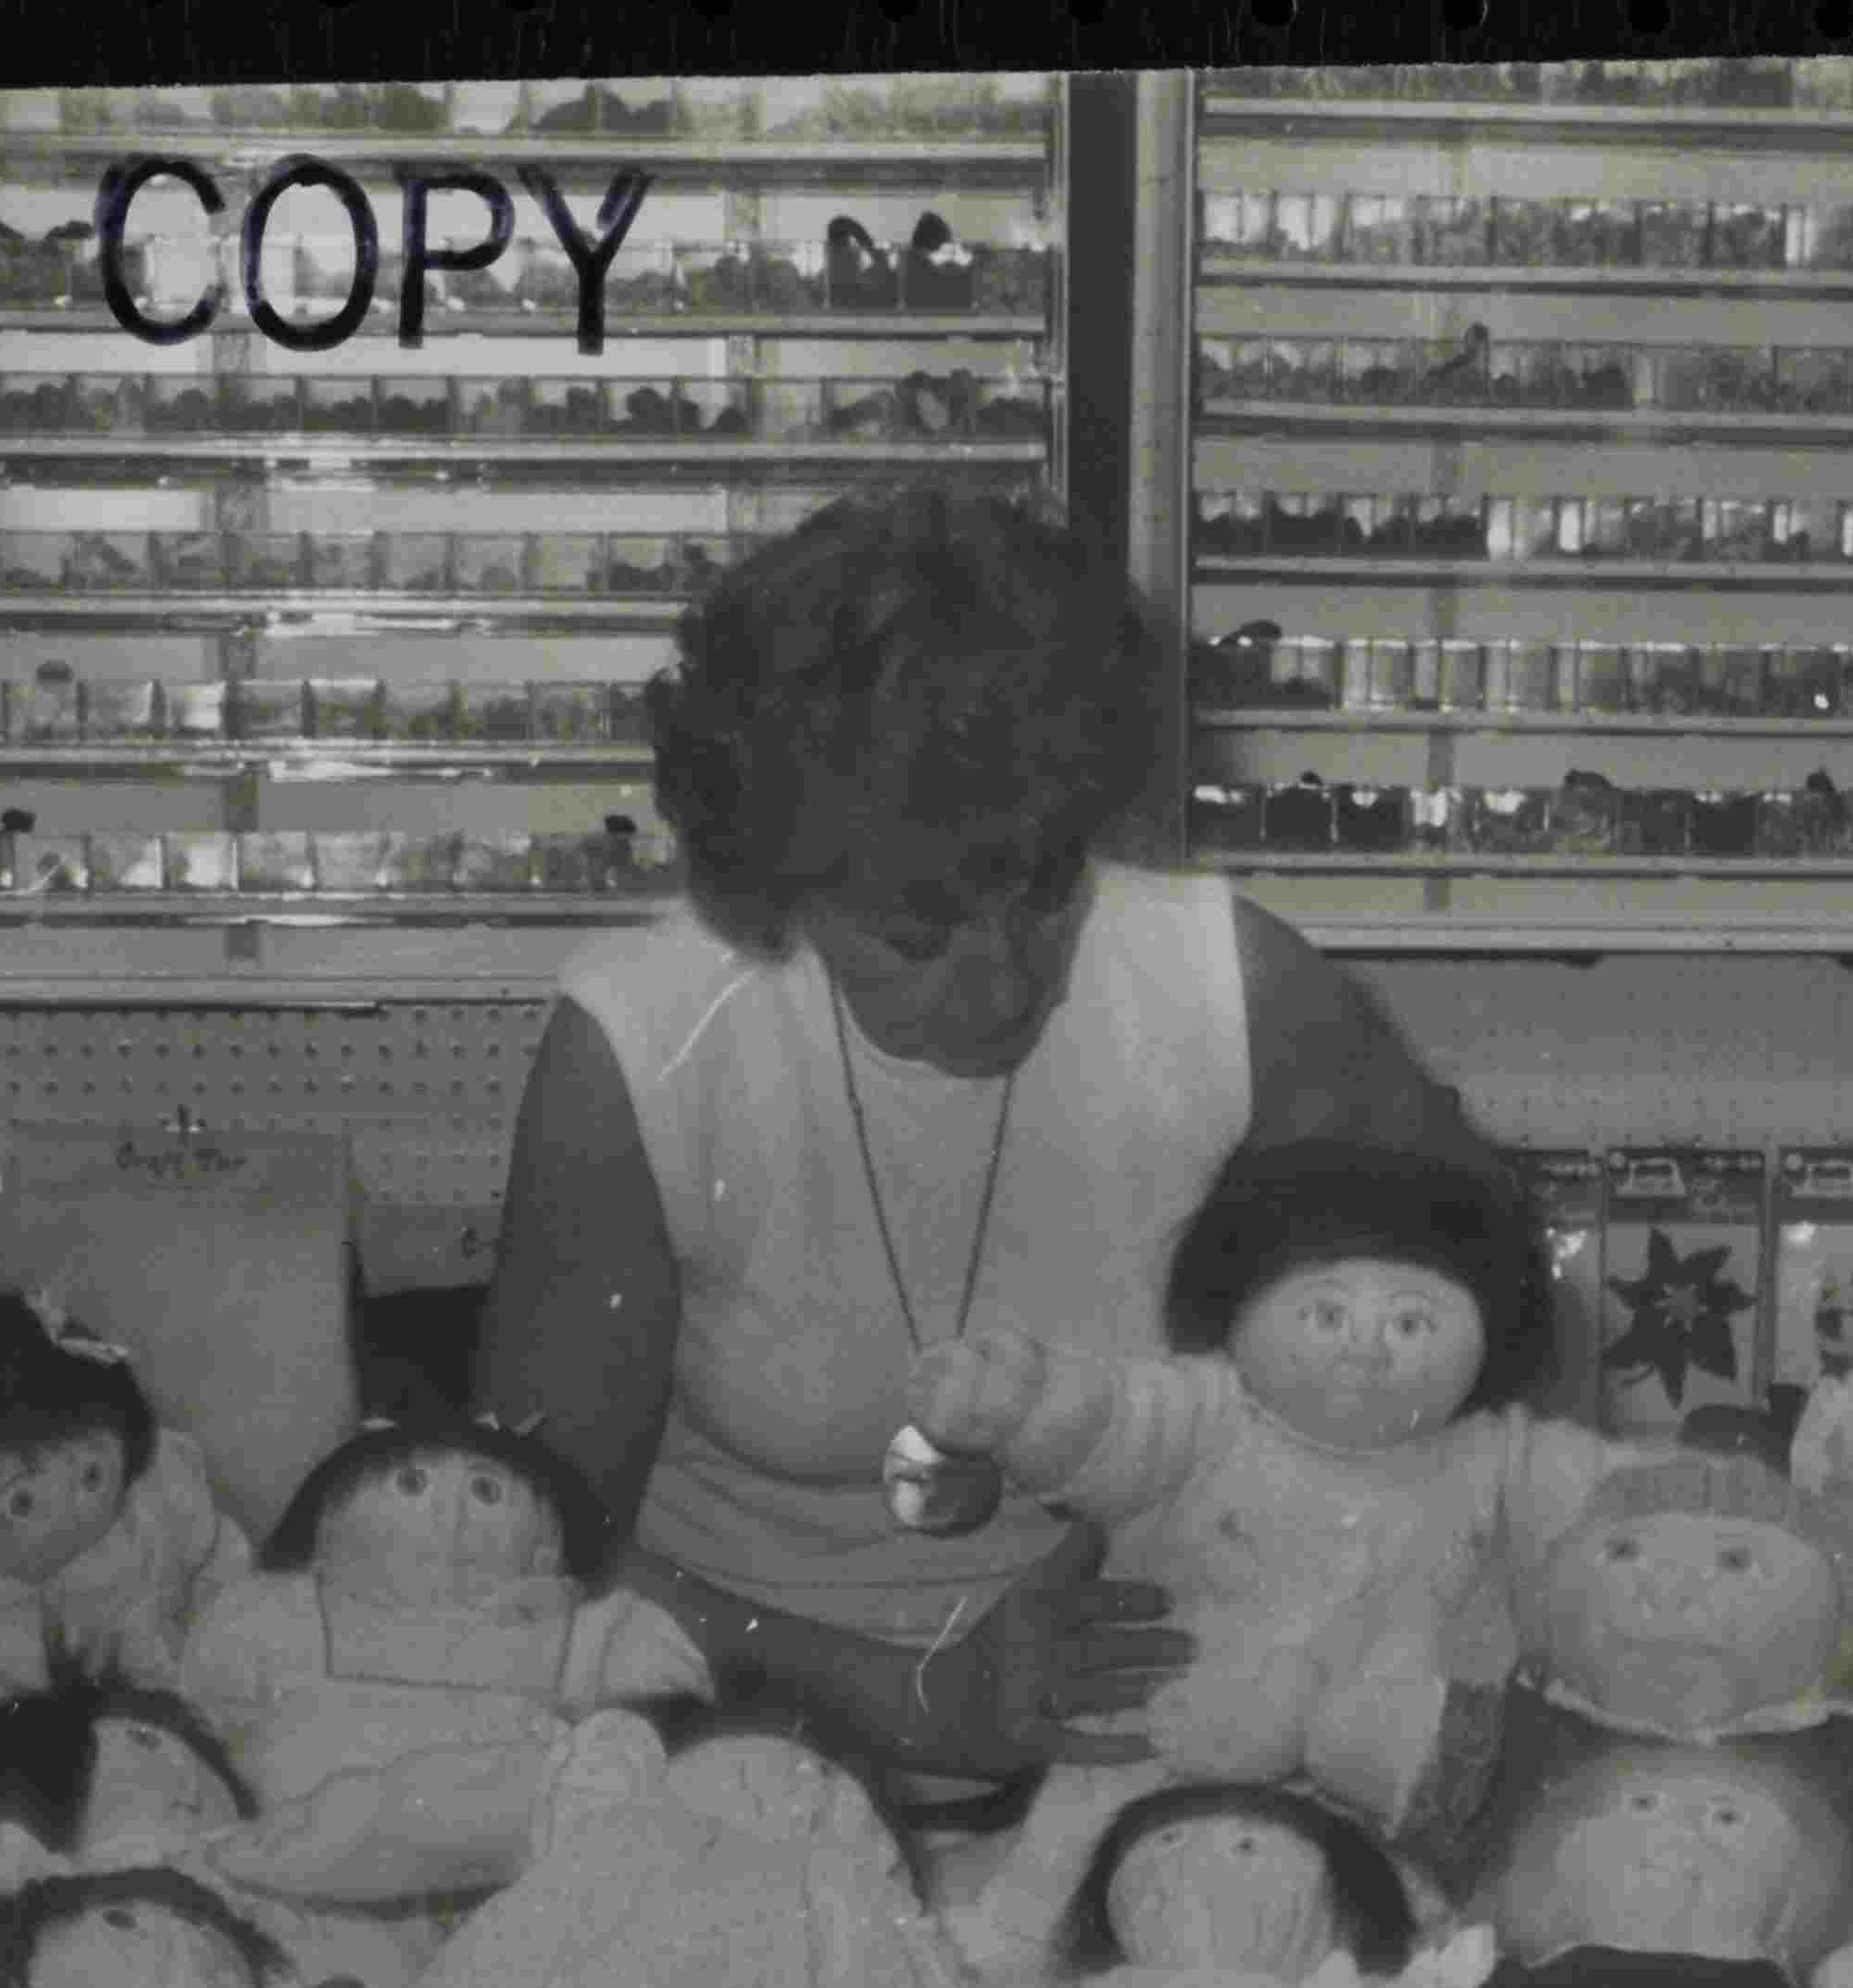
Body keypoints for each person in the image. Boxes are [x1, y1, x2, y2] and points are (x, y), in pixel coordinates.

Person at [473, 487, 1514, 1792]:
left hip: (1182, 1729)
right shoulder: (642, 1051)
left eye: (1038, 893)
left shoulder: (1242, 996)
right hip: (729, 1729)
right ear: (773, 890)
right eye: (914, 937)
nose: (999, 982)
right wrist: (898, 1695)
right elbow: (516, 1555)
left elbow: (1484, 1380)